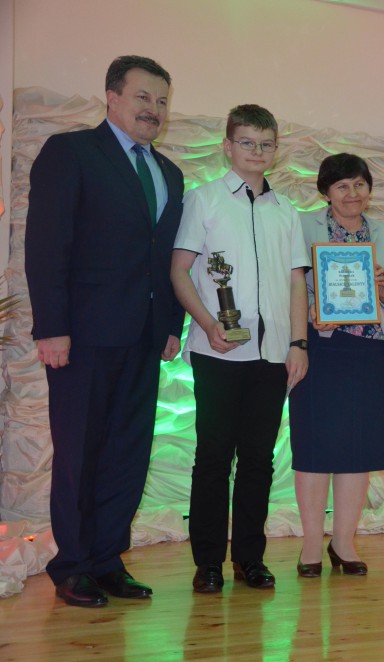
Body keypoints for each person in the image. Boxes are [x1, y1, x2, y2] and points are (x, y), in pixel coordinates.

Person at [24, 55, 184, 608]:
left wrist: (171, 324)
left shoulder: (170, 173)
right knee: (80, 452)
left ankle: (107, 560)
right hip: (83, 336)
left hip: (145, 336)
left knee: (127, 453)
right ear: (112, 97)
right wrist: (52, 328)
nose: (154, 109)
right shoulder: (70, 153)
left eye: (161, 101)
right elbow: (47, 246)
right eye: (143, 97)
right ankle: (72, 564)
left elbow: (166, 256)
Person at [171, 104, 309, 593]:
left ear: (276, 150)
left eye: (266, 144)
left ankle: (250, 558)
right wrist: (207, 324)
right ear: (227, 146)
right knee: (213, 457)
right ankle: (207, 561)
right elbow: (179, 271)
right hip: (218, 351)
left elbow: (296, 282)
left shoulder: (286, 210)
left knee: (258, 459)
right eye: (247, 142)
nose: (257, 151)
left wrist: (298, 343)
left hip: (272, 355)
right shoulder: (203, 199)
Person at [288, 154, 384, 578]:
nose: (352, 193)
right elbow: (291, 283)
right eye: (342, 186)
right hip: (320, 348)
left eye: (359, 184)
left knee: (359, 450)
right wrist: (311, 311)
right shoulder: (303, 226)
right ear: (326, 192)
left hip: (371, 350)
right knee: (314, 447)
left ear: (369, 189)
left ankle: (343, 543)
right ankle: (310, 545)